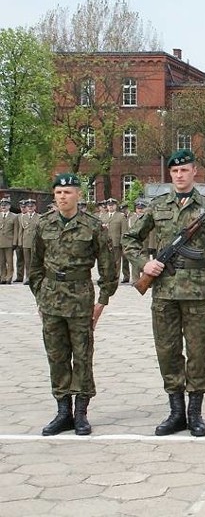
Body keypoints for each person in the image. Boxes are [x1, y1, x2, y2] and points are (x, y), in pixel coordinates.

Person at [123, 149, 205, 437]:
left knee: (197, 354)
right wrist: (145, 263)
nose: (180, 175)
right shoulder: (157, 206)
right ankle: (176, 411)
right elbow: (129, 239)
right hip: (164, 292)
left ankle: (195, 413)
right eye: (175, 171)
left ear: (195, 171)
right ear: (170, 174)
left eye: (185, 170)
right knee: (168, 352)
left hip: (197, 292)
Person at [30, 173, 118, 435]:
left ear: (78, 195)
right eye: (58, 192)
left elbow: (108, 268)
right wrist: (40, 295)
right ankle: (62, 411)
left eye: (67, 192)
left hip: (80, 298)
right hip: (51, 297)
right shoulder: (43, 225)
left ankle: (81, 413)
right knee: (56, 356)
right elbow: (35, 266)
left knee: (81, 355)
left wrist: (102, 301)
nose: (62, 197)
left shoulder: (92, 226)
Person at [101, 198, 130, 284]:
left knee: (116, 261)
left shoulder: (120, 216)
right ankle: (108, 276)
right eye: (109, 205)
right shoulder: (103, 216)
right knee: (107, 261)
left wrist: (123, 242)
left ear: (115, 206)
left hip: (116, 242)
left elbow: (124, 231)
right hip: (106, 242)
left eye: (112, 205)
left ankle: (116, 277)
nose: (110, 207)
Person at [17, 199, 40, 285]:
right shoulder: (23, 217)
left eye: (32, 206)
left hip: (35, 242)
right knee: (27, 261)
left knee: (34, 261)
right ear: (26, 208)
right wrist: (20, 242)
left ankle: (35, 277)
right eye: (28, 206)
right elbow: (20, 231)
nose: (30, 208)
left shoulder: (39, 217)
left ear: (35, 207)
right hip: (25, 242)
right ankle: (27, 277)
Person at [0, 198, 18, 284]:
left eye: (5, 205)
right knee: (1, 262)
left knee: (10, 261)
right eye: (2, 205)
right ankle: (2, 277)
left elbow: (16, 231)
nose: (3, 207)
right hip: (0, 242)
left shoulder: (14, 217)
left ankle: (9, 278)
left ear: (9, 206)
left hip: (9, 242)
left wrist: (15, 242)